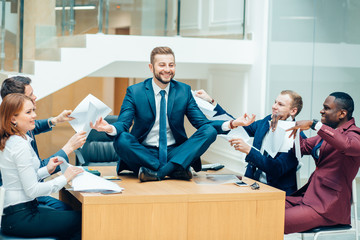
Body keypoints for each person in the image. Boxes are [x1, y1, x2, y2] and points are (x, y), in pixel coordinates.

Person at [90, 46, 255, 182]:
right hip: (144, 153)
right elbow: (123, 123)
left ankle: (159, 173)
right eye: (162, 65)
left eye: (171, 65)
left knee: (209, 131)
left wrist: (233, 124)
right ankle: (174, 169)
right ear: (151, 67)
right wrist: (109, 127)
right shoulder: (135, 91)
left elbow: (202, 124)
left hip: (175, 151)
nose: (167, 70)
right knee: (122, 139)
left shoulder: (183, 91)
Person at [0, 93, 82, 239]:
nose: (35, 115)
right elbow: (32, 190)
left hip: (19, 213)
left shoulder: (16, 140)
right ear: (13, 118)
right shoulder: (19, 145)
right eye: (28, 112)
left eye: (33, 110)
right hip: (21, 217)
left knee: (73, 218)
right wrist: (64, 178)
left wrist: (47, 170)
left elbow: (22, 179)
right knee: (84, 220)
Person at [0, 76, 87, 210]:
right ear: (16, 102)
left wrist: (55, 120)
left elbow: (36, 127)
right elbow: (33, 171)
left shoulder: (17, 127)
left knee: (71, 209)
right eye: (30, 95)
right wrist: (69, 147)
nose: (35, 97)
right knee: (74, 214)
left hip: (30, 195)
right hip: (22, 200)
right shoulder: (15, 141)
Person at [196, 89, 303, 195]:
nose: (274, 106)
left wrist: (249, 150)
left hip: (277, 192)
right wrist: (211, 102)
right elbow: (239, 128)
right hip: (251, 184)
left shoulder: (297, 137)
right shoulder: (267, 121)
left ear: (293, 111)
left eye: (280, 104)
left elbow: (277, 169)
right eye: (275, 102)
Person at [284, 92, 360, 233]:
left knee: (272, 219)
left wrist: (314, 125)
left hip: (328, 206)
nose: (322, 111)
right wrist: (293, 122)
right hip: (307, 197)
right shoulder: (327, 133)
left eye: (326, 108)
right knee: (264, 207)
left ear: (342, 114)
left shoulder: (355, 135)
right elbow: (301, 147)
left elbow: (346, 145)